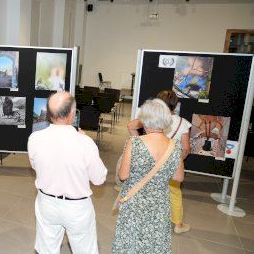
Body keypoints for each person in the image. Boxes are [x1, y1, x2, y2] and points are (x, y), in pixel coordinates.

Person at [28, 91, 108, 254]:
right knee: (84, 249)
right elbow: (99, 179)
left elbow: (36, 167)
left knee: (47, 249)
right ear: (72, 113)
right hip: (77, 208)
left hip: (46, 203)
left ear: (49, 115)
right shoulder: (85, 143)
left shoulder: (35, 139)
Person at [112, 99, 184, 254]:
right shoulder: (175, 145)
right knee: (154, 242)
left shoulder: (135, 143)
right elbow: (178, 177)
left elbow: (123, 176)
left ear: (144, 119)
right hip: (159, 202)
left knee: (130, 241)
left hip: (134, 202)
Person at [127, 91, 191, 234]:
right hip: (171, 166)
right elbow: (186, 148)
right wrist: (176, 161)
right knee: (174, 193)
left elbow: (131, 126)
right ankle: (178, 224)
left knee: (146, 191)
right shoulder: (183, 123)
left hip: (148, 164)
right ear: (176, 104)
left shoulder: (150, 120)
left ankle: (143, 221)